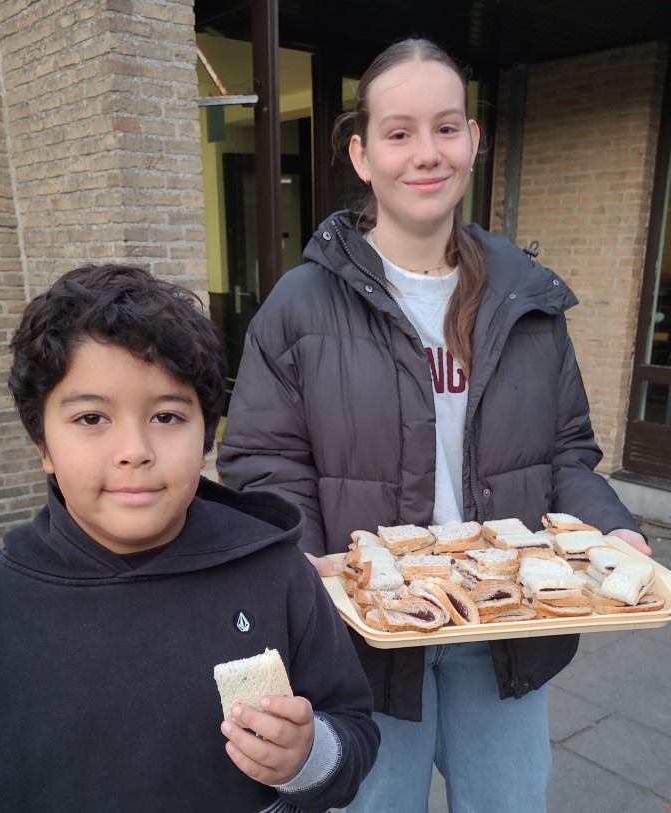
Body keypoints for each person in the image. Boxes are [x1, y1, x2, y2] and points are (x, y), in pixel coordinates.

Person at [217, 37, 651, 813]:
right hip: (371, 637)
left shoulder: (528, 300)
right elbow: (262, 460)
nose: (426, 153)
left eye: (447, 127)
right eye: (399, 132)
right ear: (362, 155)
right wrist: (305, 560)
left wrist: (607, 527)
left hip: (502, 626)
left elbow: (565, 452)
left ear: (473, 141)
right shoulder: (299, 305)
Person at [0, 264, 379, 813]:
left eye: (167, 416)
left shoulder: (277, 574)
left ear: (206, 436)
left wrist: (307, 758)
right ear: (42, 444)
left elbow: (353, 728)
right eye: (91, 418)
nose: (135, 450)